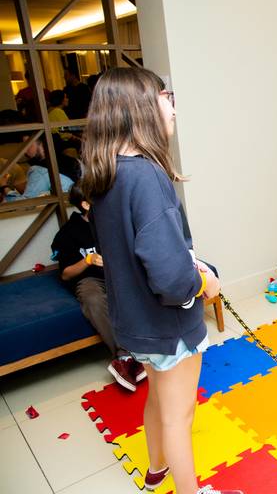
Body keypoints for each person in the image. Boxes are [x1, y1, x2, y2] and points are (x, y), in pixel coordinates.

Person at [80, 67, 240, 494]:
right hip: (167, 323)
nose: (172, 105)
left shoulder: (107, 173)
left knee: (157, 397)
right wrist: (204, 285)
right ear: (140, 109)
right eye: (166, 96)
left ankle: (156, 470)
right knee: (178, 416)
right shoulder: (146, 176)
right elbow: (170, 277)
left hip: (134, 322)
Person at [51, 183, 145, 391]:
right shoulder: (69, 233)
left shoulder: (112, 222)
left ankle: (150, 345)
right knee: (93, 299)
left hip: (118, 274)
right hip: (90, 280)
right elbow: (66, 274)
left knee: (140, 286)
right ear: (85, 204)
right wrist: (88, 260)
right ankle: (125, 356)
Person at [1, 135, 75, 201]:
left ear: (42, 144)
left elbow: (25, 205)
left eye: (28, 145)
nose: (24, 150)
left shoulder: (39, 171)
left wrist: (4, 187)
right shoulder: (72, 161)